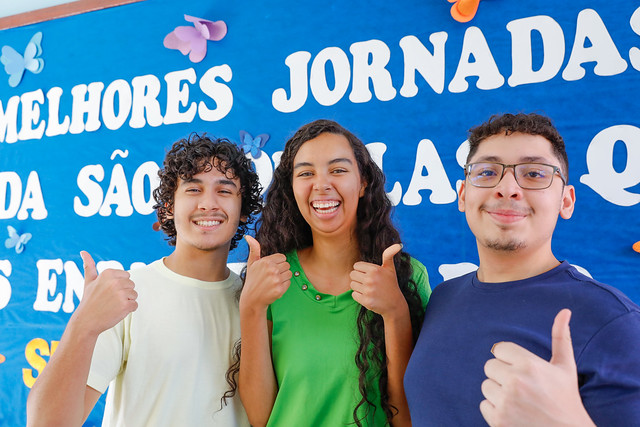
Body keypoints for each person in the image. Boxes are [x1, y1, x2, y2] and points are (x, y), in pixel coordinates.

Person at [404, 113, 640, 426]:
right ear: (463, 195)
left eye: (534, 174)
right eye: (487, 172)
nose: (507, 188)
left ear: (566, 202)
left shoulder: (613, 322)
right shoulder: (444, 297)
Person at [26, 134, 262, 427]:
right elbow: (46, 423)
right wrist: (82, 326)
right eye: (193, 189)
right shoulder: (126, 295)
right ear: (168, 208)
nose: (208, 204)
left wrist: (256, 305)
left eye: (224, 191)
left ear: (243, 212)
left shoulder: (255, 301)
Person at [233, 119, 430, 426]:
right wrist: (251, 308)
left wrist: (396, 313)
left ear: (363, 182)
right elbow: (260, 418)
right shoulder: (271, 278)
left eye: (338, 170)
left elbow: (409, 418)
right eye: (306, 173)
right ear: (291, 188)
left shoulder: (406, 276)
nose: (321, 184)